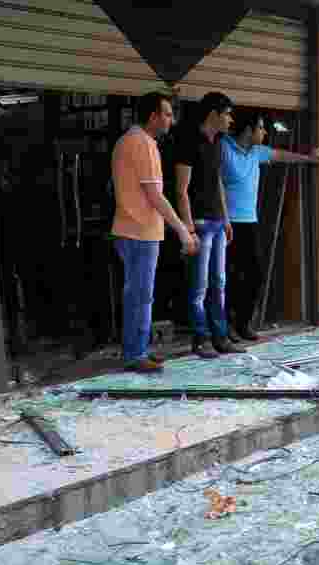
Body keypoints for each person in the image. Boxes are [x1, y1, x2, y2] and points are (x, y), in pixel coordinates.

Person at [110, 92, 197, 373]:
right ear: (153, 116)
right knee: (140, 295)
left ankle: (138, 349)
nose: (172, 120)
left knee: (137, 293)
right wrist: (183, 231)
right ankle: (136, 354)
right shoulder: (144, 144)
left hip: (131, 229)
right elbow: (155, 196)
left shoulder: (126, 141)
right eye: (168, 114)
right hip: (140, 231)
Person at [220, 111, 319, 341]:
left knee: (255, 276)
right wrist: (223, 218)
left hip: (250, 222)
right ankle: (226, 327)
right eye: (261, 128)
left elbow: (281, 155)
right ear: (248, 130)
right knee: (228, 278)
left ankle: (243, 323)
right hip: (227, 224)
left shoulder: (256, 153)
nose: (265, 132)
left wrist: (309, 158)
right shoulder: (224, 148)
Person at [174, 91, 243, 358]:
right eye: (227, 114)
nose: (231, 120)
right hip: (200, 223)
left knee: (219, 282)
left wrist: (226, 218)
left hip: (217, 222)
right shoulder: (188, 141)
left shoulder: (219, 142)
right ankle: (200, 338)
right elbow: (181, 190)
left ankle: (220, 336)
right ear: (213, 114)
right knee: (200, 286)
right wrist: (188, 229)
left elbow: (218, 182)